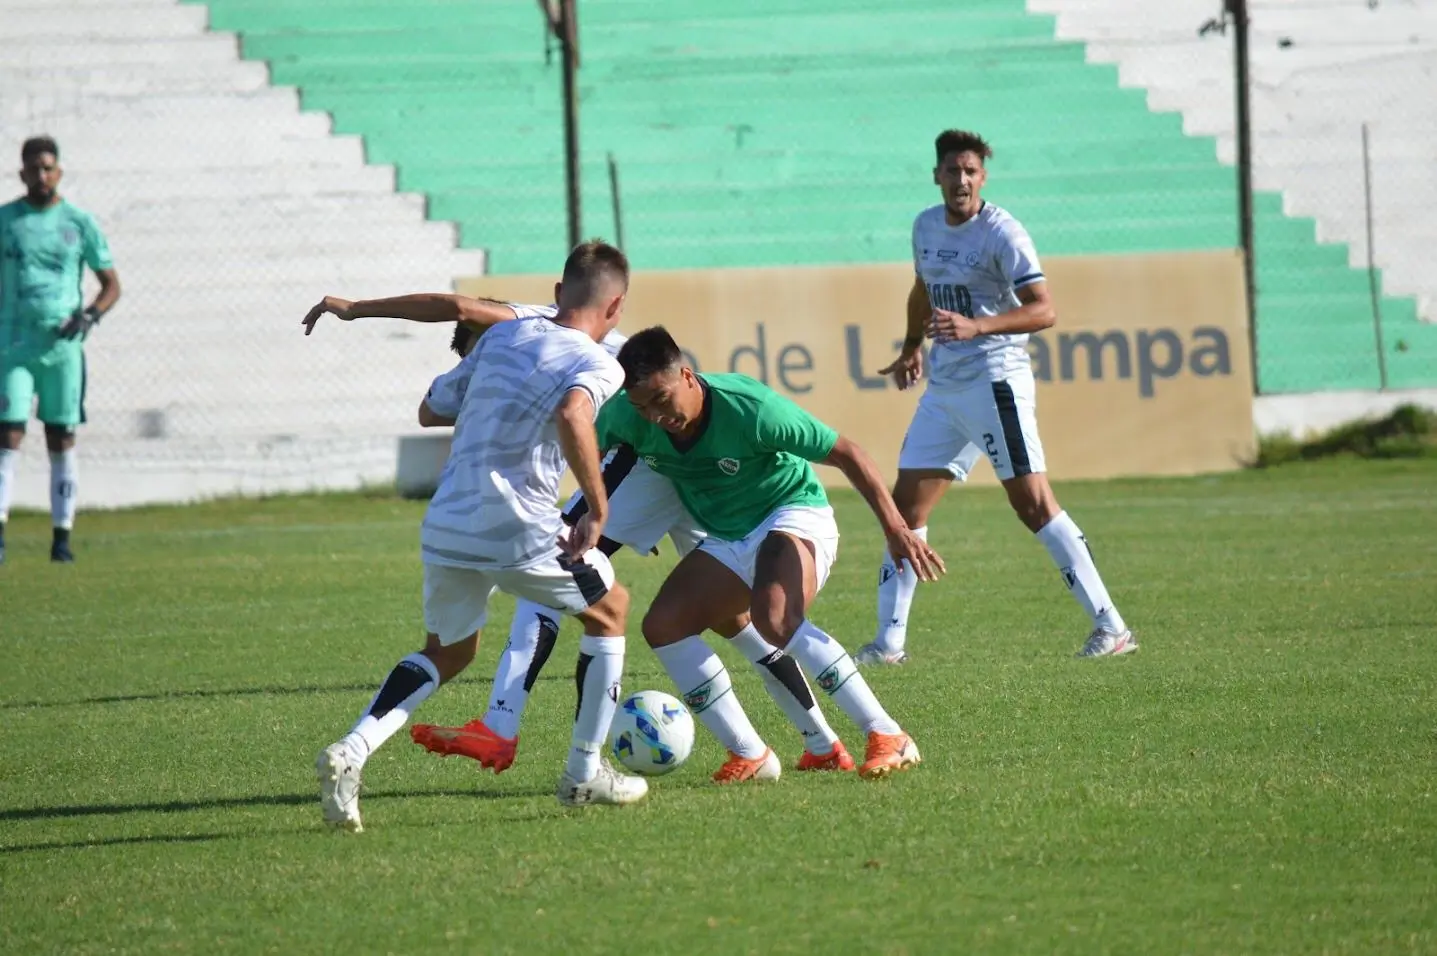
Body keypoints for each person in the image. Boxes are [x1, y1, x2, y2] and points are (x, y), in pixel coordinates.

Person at [302, 293, 856, 772]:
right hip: (678, 455)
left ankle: (502, 725)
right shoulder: (540, 345)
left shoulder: (526, 322)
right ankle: (816, 743)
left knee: (564, 561)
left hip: (646, 458)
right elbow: (431, 409)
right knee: (729, 617)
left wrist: (357, 309)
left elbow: (456, 307)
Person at [311, 240, 647, 832]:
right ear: (615, 306)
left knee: (449, 650)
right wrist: (596, 506)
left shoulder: (499, 339)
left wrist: (358, 309)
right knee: (611, 609)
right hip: (515, 521)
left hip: (447, 520)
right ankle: (583, 773)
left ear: (556, 293)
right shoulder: (601, 362)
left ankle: (353, 751)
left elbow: (431, 408)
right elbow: (573, 415)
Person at [597, 327, 941, 781]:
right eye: (643, 407)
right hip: (727, 535)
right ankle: (751, 754)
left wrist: (896, 528)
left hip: (792, 513)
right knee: (664, 626)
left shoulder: (750, 408)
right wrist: (629, 514)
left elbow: (848, 453)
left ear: (686, 375)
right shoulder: (626, 415)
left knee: (774, 619)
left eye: (662, 399)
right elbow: (595, 450)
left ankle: (887, 734)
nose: (656, 416)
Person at [862, 129, 1135, 665]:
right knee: (903, 511)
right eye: (952, 170)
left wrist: (978, 326)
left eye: (970, 171)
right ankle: (888, 644)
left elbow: (1044, 309)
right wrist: (913, 345)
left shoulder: (1002, 233)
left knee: (1032, 506)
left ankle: (1112, 627)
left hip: (995, 381)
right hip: (944, 390)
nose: (961, 179)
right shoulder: (924, 225)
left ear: (982, 177)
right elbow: (923, 287)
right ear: (936, 175)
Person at [0, 136, 121, 563]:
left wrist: (89, 316)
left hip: (62, 348)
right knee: (8, 432)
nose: (41, 175)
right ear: (22, 174)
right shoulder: (6, 220)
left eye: (48, 167)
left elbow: (111, 285)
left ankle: (62, 538)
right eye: (34, 168)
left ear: (59, 172)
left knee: (62, 436)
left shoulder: (77, 223)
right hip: (13, 346)